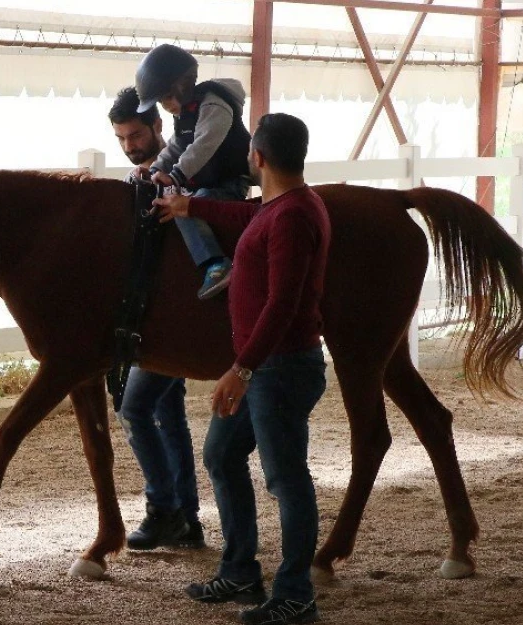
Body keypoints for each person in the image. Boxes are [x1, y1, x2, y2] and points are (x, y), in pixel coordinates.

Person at [154, 112, 330, 625]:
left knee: (286, 478)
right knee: (222, 455)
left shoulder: (292, 217)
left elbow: (283, 303)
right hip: (267, 368)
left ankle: (296, 593)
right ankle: (240, 570)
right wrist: (190, 206)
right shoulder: (283, 206)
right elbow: (245, 217)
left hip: (278, 368)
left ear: (258, 157)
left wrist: (243, 368)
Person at [108, 87, 204, 551]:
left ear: (157, 128)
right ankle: (187, 517)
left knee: (136, 409)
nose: (130, 145)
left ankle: (163, 508)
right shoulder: (140, 177)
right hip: (162, 315)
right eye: (122, 137)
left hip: (173, 316)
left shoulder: (177, 170)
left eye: (136, 134)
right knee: (171, 414)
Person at [134, 43, 252, 300]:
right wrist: (155, 167)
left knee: (185, 207)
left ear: (182, 86)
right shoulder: (185, 114)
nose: (164, 106)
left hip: (229, 183)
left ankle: (216, 263)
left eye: (165, 97)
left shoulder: (214, 106)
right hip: (207, 182)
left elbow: (202, 146)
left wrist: (175, 175)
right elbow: (178, 144)